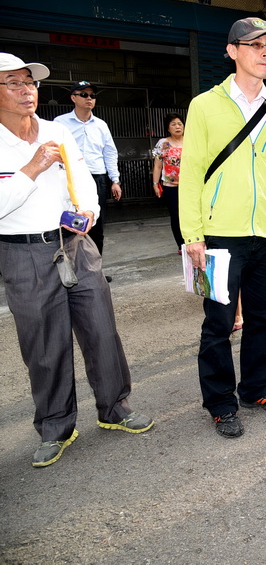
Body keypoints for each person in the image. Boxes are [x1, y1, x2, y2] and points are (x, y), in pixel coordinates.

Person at [0, 53, 153, 467]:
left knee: (102, 329)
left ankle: (115, 409)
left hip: (75, 243)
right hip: (24, 251)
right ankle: (55, 427)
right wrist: (32, 168)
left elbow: (84, 182)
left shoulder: (57, 132)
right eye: (13, 83)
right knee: (44, 345)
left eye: (29, 83)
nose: (25, 90)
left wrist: (89, 211)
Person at [179, 17, 266, 438]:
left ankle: (256, 388)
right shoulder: (205, 105)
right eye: (255, 45)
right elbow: (191, 172)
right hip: (220, 234)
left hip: (265, 232)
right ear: (232, 52)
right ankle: (220, 403)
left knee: (261, 316)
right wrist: (192, 233)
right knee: (219, 322)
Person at [54, 80, 121, 258]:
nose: (89, 98)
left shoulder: (101, 125)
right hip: (70, 179)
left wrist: (115, 180)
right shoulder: (60, 123)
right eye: (84, 95)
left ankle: (95, 269)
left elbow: (110, 153)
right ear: (73, 98)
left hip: (97, 178)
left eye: (92, 95)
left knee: (96, 225)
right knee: (70, 223)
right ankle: (71, 267)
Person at [151, 112, 184, 252]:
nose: (177, 127)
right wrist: (155, 184)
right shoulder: (163, 143)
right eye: (173, 124)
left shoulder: (191, 141)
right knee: (176, 215)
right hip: (171, 186)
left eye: (180, 124)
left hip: (190, 185)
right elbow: (158, 165)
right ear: (168, 128)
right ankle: (181, 244)